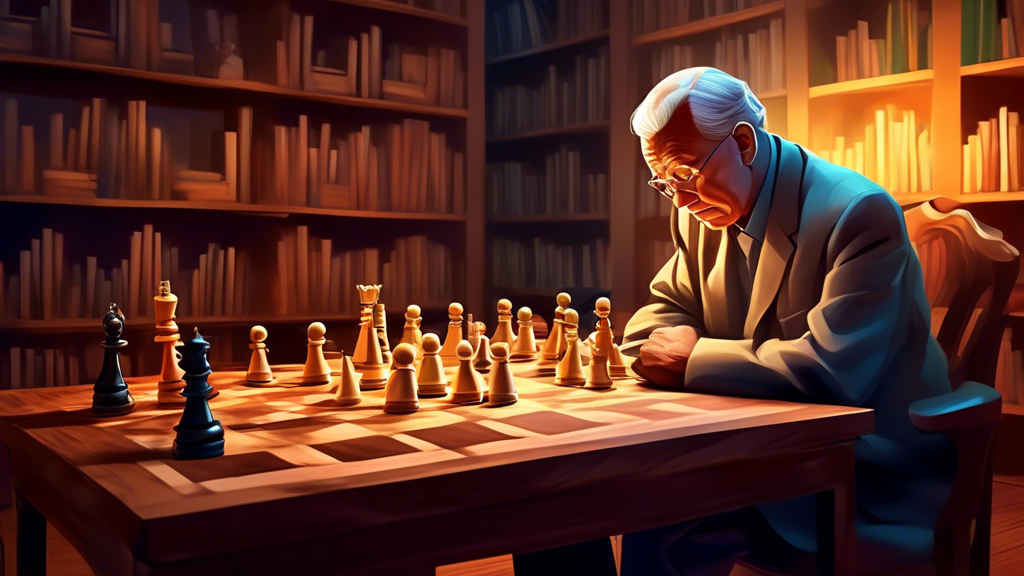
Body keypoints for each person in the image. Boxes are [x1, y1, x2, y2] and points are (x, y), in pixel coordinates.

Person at [513, 67, 955, 576]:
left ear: (743, 142)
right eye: (663, 182)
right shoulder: (700, 208)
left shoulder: (857, 214)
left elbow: (833, 373)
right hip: (755, 442)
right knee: (554, 504)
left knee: (663, 515)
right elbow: (655, 316)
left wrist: (694, 356)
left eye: (682, 173)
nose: (677, 198)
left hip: (861, 468)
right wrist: (681, 347)